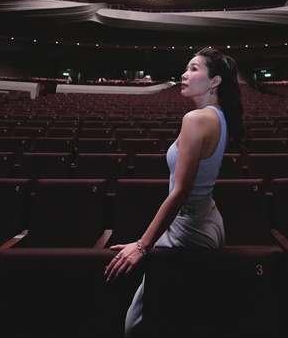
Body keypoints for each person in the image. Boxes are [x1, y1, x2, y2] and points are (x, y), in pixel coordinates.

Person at [104, 47, 244, 336]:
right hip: (207, 220)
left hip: (189, 229)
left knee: (138, 324)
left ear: (215, 81)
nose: (184, 74)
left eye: (194, 68)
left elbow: (180, 192)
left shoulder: (196, 119)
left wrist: (142, 246)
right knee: (187, 314)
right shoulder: (219, 116)